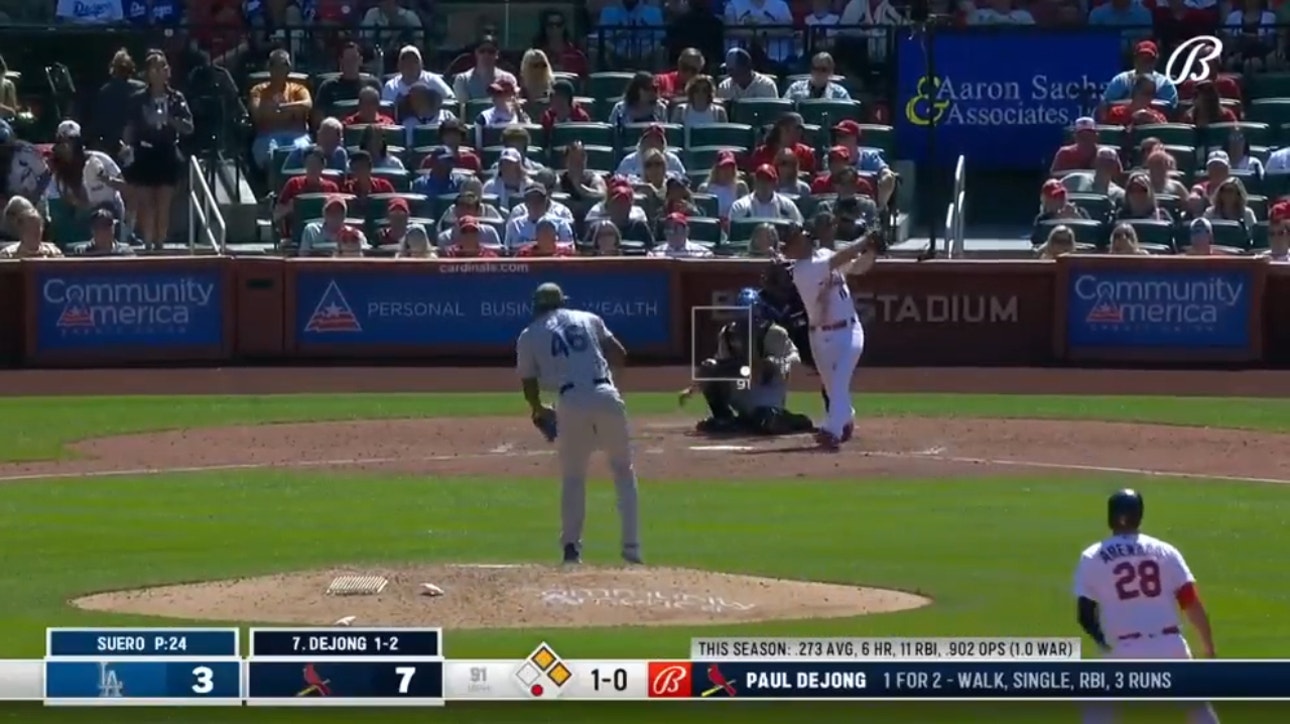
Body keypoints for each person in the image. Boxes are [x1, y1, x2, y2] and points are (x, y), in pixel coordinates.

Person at [515, 282, 640, 566]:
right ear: (562, 302)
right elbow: (619, 352)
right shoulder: (588, 318)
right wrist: (611, 388)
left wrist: (538, 410)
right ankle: (632, 550)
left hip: (570, 400)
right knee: (623, 471)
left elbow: (529, 382)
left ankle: (571, 549)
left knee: (573, 476)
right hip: (607, 394)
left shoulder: (529, 334)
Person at [1073, 489, 1219, 724]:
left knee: (1097, 709)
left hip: (1125, 648)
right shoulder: (1165, 550)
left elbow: (1085, 614)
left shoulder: (1092, 556)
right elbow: (1191, 602)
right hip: (1171, 646)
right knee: (1197, 709)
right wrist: (1208, 648)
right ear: (1139, 515)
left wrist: (1103, 644)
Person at [781, 223, 879, 449]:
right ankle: (846, 416)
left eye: (797, 239)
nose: (797, 245)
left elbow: (855, 267)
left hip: (849, 331)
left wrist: (871, 252)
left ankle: (831, 430)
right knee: (833, 387)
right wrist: (865, 240)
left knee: (839, 381)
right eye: (792, 244)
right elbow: (841, 257)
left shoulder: (824, 254)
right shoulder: (802, 270)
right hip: (819, 337)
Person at [680, 287, 815, 435]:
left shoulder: (774, 333)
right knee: (708, 367)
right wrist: (695, 387)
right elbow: (717, 368)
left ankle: (793, 421)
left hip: (766, 394)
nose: (745, 322)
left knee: (764, 420)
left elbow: (793, 359)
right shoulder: (727, 334)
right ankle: (723, 417)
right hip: (740, 391)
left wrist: (771, 364)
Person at [124, 50, 193, 251]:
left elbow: (189, 126)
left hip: (167, 153)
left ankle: (160, 243)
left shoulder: (176, 98)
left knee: (163, 202)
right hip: (145, 153)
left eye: (164, 66)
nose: (161, 70)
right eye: (156, 67)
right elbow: (130, 128)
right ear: (148, 73)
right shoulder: (138, 99)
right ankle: (147, 243)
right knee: (147, 202)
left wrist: (171, 119)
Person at [45, 120, 126, 226]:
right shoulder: (58, 173)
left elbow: (124, 186)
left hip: (112, 212)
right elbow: (66, 202)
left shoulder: (101, 158)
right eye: (62, 142)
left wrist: (105, 179)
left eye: (70, 141)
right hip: (83, 219)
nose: (66, 146)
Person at [248, 49, 312, 171]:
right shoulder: (259, 90)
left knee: (302, 153)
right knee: (270, 155)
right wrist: (292, 111)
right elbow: (257, 112)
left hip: (297, 135)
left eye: (283, 66)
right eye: (276, 66)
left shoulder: (298, 89)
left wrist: (281, 108)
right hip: (267, 136)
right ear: (269, 68)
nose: (280, 70)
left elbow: (307, 105)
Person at [91, 49, 146, 154]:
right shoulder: (141, 88)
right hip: (137, 143)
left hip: (112, 145)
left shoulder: (105, 90)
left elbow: (100, 122)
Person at [452, 35, 517, 102]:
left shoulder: (508, 79)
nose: (486, 55)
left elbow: (512, 104)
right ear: (476, 53)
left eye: (491, 51)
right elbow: (463, 108)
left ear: (497, 54)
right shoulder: (463, 80)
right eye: (482, 51)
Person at [729, 164, 804, 223]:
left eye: (768, 181)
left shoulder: (787, 206)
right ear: (755, 182)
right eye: (760, 180)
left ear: (775, 184)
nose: (763, 184)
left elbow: (799, 226)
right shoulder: (740, 206)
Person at [383, 45, 454, 106]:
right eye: (405, 61)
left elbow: (451, 99)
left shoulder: (432, 80)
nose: (410, 64)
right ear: (399, 65)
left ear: (422, 64)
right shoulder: (390, 86)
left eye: (414, 61)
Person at [533, 10, 588, 75]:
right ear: (544, 27)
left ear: (564, 27)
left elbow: (584, 81)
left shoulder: (577, 56)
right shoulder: (536, 56)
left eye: (558, 24)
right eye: (550, 25)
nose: (554, 28)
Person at [699, 150, 748, 219]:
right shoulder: (705, 189)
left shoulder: (740, 187)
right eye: (724, 167)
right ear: (717, 169)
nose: (727, 171)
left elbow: (746, 213)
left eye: (730, 167)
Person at [648, 212, 713, 257]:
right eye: (669, 229)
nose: (672, 232)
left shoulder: (702, 253)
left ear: (686, 231)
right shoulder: (655, 254)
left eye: (676, 228)